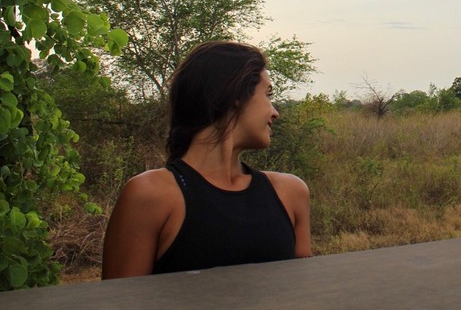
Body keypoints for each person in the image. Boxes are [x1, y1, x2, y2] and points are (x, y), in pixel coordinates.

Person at [102, 41, 312, 279]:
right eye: (268, 95)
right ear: (235, 94)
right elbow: (119, 301)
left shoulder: (291, 193)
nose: (275, 112)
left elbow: (302, 293)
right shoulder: (151, 194)